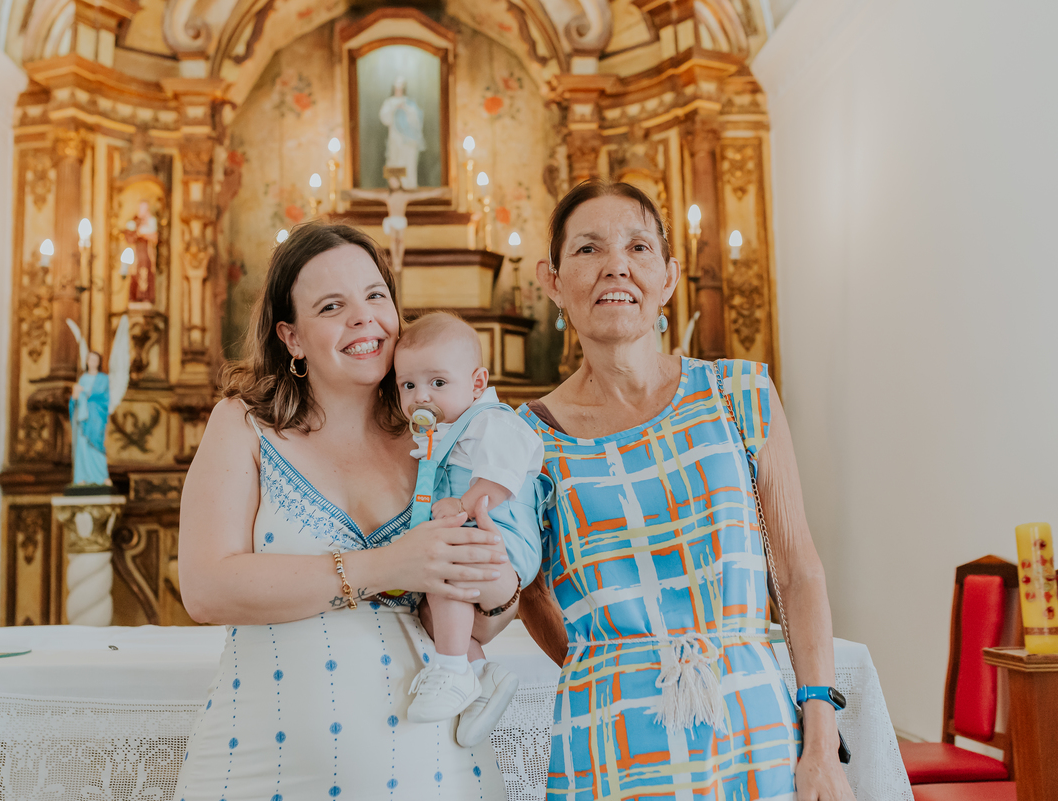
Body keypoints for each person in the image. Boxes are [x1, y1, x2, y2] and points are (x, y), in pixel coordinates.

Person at [510, 180, 856, 800]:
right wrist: (612, 668)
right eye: (588, 249)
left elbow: (798, 571)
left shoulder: (741, 394)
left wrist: (821, 742)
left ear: (668, 277)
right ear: (553, 280)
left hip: (754, 726)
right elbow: (529, 591)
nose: (616, 264)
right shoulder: (527, 439)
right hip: (608, 738)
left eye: (638, 247)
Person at [173, 223, 518, 799]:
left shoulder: (443, 437)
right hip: (262, 763)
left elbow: (475, 623)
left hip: (432, 770)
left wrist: (500, 584)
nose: (363, 318)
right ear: (292, 337)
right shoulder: (244, 425)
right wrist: (385, 566)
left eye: (375, 295)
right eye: (333, 306)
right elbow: (206, 588)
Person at [394, 311, 549, 745]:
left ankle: (450, 669)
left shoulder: (494, 422)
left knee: (448, 568)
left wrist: (459, 505)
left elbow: (499, 482)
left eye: (437, 383)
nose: (420, 396)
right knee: (430, 609)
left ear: (477, 383)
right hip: (470, 535)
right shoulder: (443, 431)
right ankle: (482, 674)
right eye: (408, 385)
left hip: (502, 536)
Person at [69, 351, 109, 486]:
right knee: (82, 446)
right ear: (86, 361)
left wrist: (84, 390)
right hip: (83, 417)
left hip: (96, 416)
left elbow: (102, 396)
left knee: (97, 444)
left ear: (99, 362)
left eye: (95, 359)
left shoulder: (103, 378)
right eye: (90, 359)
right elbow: (75, 399)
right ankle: (82, 476)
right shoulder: (82, 378)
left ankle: (102, 476)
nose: (92, 362)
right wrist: (74, 396)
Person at [379, 76, 425, 189]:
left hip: (408, 140)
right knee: (394, 160)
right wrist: (394, 109)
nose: (398, 91)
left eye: (400, 88)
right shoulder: (389, 102)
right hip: (395, 138)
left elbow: (416, 119)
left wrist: (405, 109)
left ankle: (409, 185)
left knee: (408, 161)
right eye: (396, 88)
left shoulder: (409, 103)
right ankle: (395, 185)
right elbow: (385, 118)